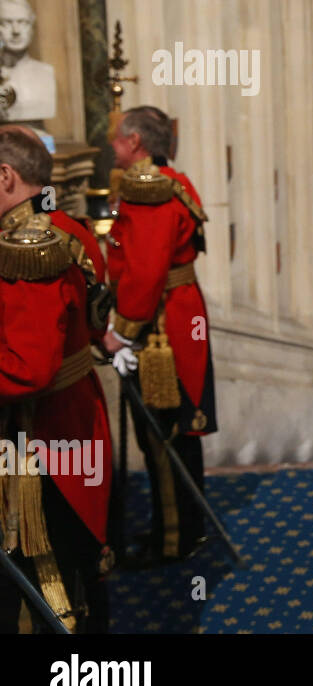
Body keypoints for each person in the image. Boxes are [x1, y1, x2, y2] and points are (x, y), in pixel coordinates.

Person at [0, 126, 112, 632]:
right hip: (76, 417)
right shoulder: (71, 226)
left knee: (47, 575)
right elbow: (94, 320)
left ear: (5, 176)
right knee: (76, 566)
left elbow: (28, 370)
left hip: (39, 437)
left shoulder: (26, 248)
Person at [100, 106, 215, 564]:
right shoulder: (172, 179)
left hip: (160, 325)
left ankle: (174, 540)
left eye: (117, 138)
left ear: (135, 143)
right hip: (178, 313)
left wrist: (122, 335)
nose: (112, 144)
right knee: (175, 433)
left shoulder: (148, 192)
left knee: (162, 434)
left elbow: (146, 272)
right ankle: (186, 529)